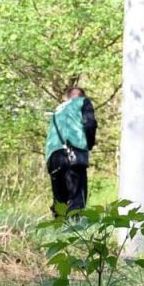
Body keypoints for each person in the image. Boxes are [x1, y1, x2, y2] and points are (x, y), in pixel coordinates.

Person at [44, 86, 97, 215]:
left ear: (65, 98)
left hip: (53, 157)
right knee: (77, 198)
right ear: (81, 95)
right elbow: (90, 124)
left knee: (59, 201)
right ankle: (76, 230)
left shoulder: (57, 111)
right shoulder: (83, 102)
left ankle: (58, 232)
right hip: (73, 153)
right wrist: (89, 144)